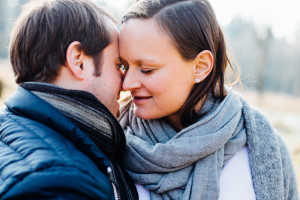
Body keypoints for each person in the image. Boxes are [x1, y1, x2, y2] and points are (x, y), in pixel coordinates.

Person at [118, 0, 299, 199]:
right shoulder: (113, 140)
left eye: (147, 70)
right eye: (124, 66)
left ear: (201, 66)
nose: (127, 84)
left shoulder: (263, 145)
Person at [0, 0, 138, 199]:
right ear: (78, 61)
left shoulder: (13, 124)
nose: (126, 83)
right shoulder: (59, 186)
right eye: (118, 65)